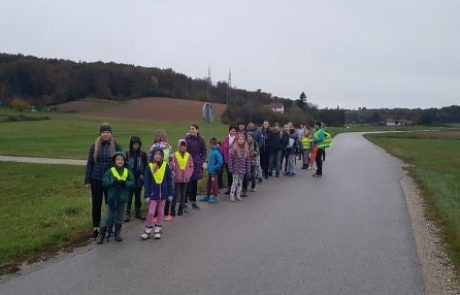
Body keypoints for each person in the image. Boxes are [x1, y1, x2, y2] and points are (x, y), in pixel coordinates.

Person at [84, 123, 122, 240]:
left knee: (110, 204)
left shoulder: (116, 145)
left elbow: (121, 162)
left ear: (111, 134)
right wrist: (87, 180)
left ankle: (109, 227)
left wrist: (120, 178)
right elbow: (90, 163)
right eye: (103, 132)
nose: (105, 134)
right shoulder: (94, 146)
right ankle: (96, 228)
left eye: (107, 132)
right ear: (100, 134)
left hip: (110, 180)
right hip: (96, 179)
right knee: (96, 204)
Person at [97, 152, 134, 244]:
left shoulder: (127, 171)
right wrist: (113, 182)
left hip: (123, 198)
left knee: (120, 216)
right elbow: (104, 182)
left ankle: (117, 233)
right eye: (118, 159)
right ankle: (101, 234)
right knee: (108, 216)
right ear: (114, 161)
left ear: (124, 161)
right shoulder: (110, 171)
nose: (120, 161)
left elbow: (132, 183)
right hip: (112, 198)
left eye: (122, 159)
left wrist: (125, 183)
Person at [141, 147, 174, 240]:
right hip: (153, 195)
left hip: (163, 195)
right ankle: (147, 230)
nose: (157, 156)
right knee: (151, 212)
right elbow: (146, 182)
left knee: (160, 212)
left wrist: (170, 193)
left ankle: (158, 230)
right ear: (153, 156)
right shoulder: (149, 167)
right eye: (156, 154)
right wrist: (147, 195)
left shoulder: (165, 166)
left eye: (159, 154)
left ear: (162, 156)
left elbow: (169, 180)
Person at [149, 129, 174, 221]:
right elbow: (172, 161)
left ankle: (155, 215)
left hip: (155, 171)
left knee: (155, 192)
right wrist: (171, 171)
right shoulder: (169, 147)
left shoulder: (153, 147)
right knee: (165, 192)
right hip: (166, 171)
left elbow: (149, 160)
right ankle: (166, 214)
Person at [124, 136, 148, 222]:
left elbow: (146, 166)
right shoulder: (127, 154)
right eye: (134, 144)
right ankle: (127, 214)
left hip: (139, 180)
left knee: (138, 197)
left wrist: (143, 175)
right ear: (131, 144)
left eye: (137, 144)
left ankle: (138, 212)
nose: (136, 145)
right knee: (129, 197)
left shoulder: (143, 154)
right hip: (129, 180)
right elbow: (124, 167)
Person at [185, 124, 207, 210]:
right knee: (187, 183)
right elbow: (183, 150)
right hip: (187, 164)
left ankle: (193, 201)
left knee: (194, 183)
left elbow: (204, 151)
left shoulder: (201, 140)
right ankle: (185, 202)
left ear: (197, 130)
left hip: (197, 164)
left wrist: (201, 160)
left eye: (193, 129)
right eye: (190, 129)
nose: (191, 130)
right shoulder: (187, 139)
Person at [170, 139, 194, 216]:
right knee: (175, 194)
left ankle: (181, 208)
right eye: (181, 146)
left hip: (186, 178)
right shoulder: (174, 155)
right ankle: (172, 209)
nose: (183, 147)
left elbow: (191, 166)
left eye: (184, 146)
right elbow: (171, 166)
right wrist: (173, 171)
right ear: (178, 146)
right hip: (177, 178)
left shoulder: (188, 155)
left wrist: (189, 174)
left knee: (183, 194)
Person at [200, 137, 223, 204]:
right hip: (210, 172)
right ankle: (208, 196)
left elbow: (220, 162)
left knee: (214, 184)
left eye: (209, 144)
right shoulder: (212, 151)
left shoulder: (216, 152)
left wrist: (215, 168)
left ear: (212, 144)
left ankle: (215, 197)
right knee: (209, 184)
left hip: (214, 172)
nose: (209, 146)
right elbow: (212, 161)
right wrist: (207, 163)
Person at [228, 134, 251, 201]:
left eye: (242, 139)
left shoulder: (246, 150)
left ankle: (238, 195)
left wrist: (248, 169)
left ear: (244, 141)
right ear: (237, 140)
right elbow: (230, 159)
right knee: (235, 182)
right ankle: (232, 195)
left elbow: (248, 161)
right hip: (235, 169)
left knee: (240, 182)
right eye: (239, 139)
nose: (241, 141)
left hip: (242, 170)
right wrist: (230, 168)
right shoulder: (234, 149)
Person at [221, 126, 237, 194]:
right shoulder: (225, 139)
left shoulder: (238, 139)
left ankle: (236, 188)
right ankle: (230, 188)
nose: (233, 132)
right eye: (231, 131)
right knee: (229, 174)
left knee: (236, 175)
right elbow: (222, 149)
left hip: (236, 160)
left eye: (234, 131)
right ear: (229, 131)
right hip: (227, 160)